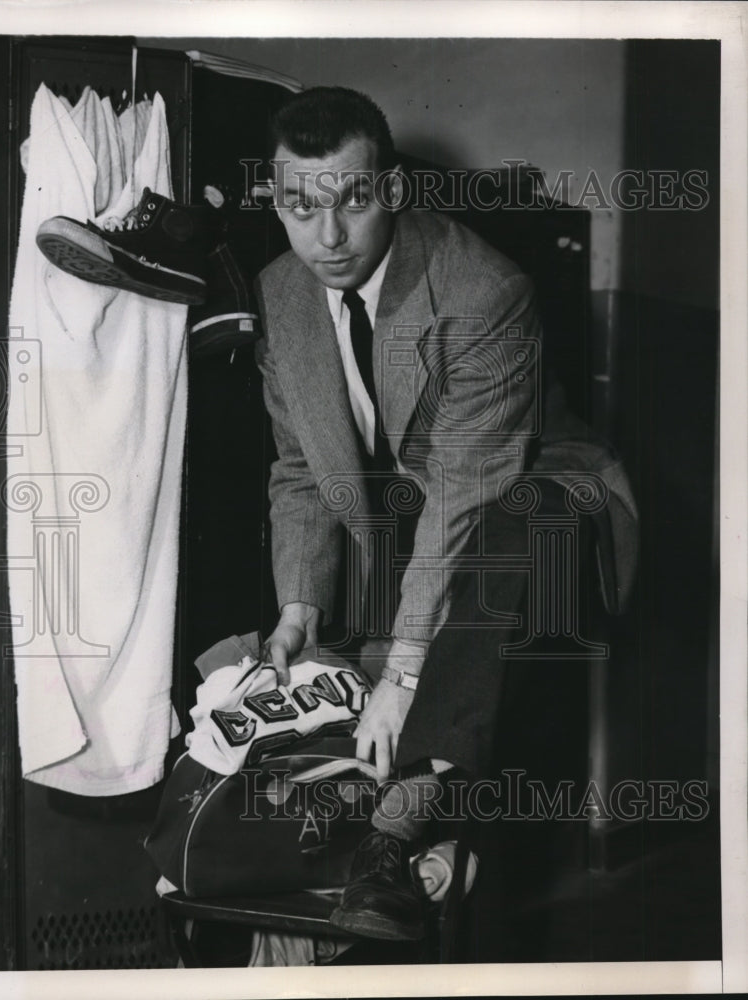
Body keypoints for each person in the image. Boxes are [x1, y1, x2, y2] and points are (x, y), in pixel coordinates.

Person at [254, 86, 637, 941]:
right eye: (298, 206)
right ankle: (434, 847)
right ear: (275, 201)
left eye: (352, 200)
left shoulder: (482, 289)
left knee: (515, 536)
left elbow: (468, 490)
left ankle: (400, 836)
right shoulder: (281, 295)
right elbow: (299, 469)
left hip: (540, 500)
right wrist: (299, 609)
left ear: (387, 190)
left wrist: (403, 677)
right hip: (405, 519)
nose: (328, 237)